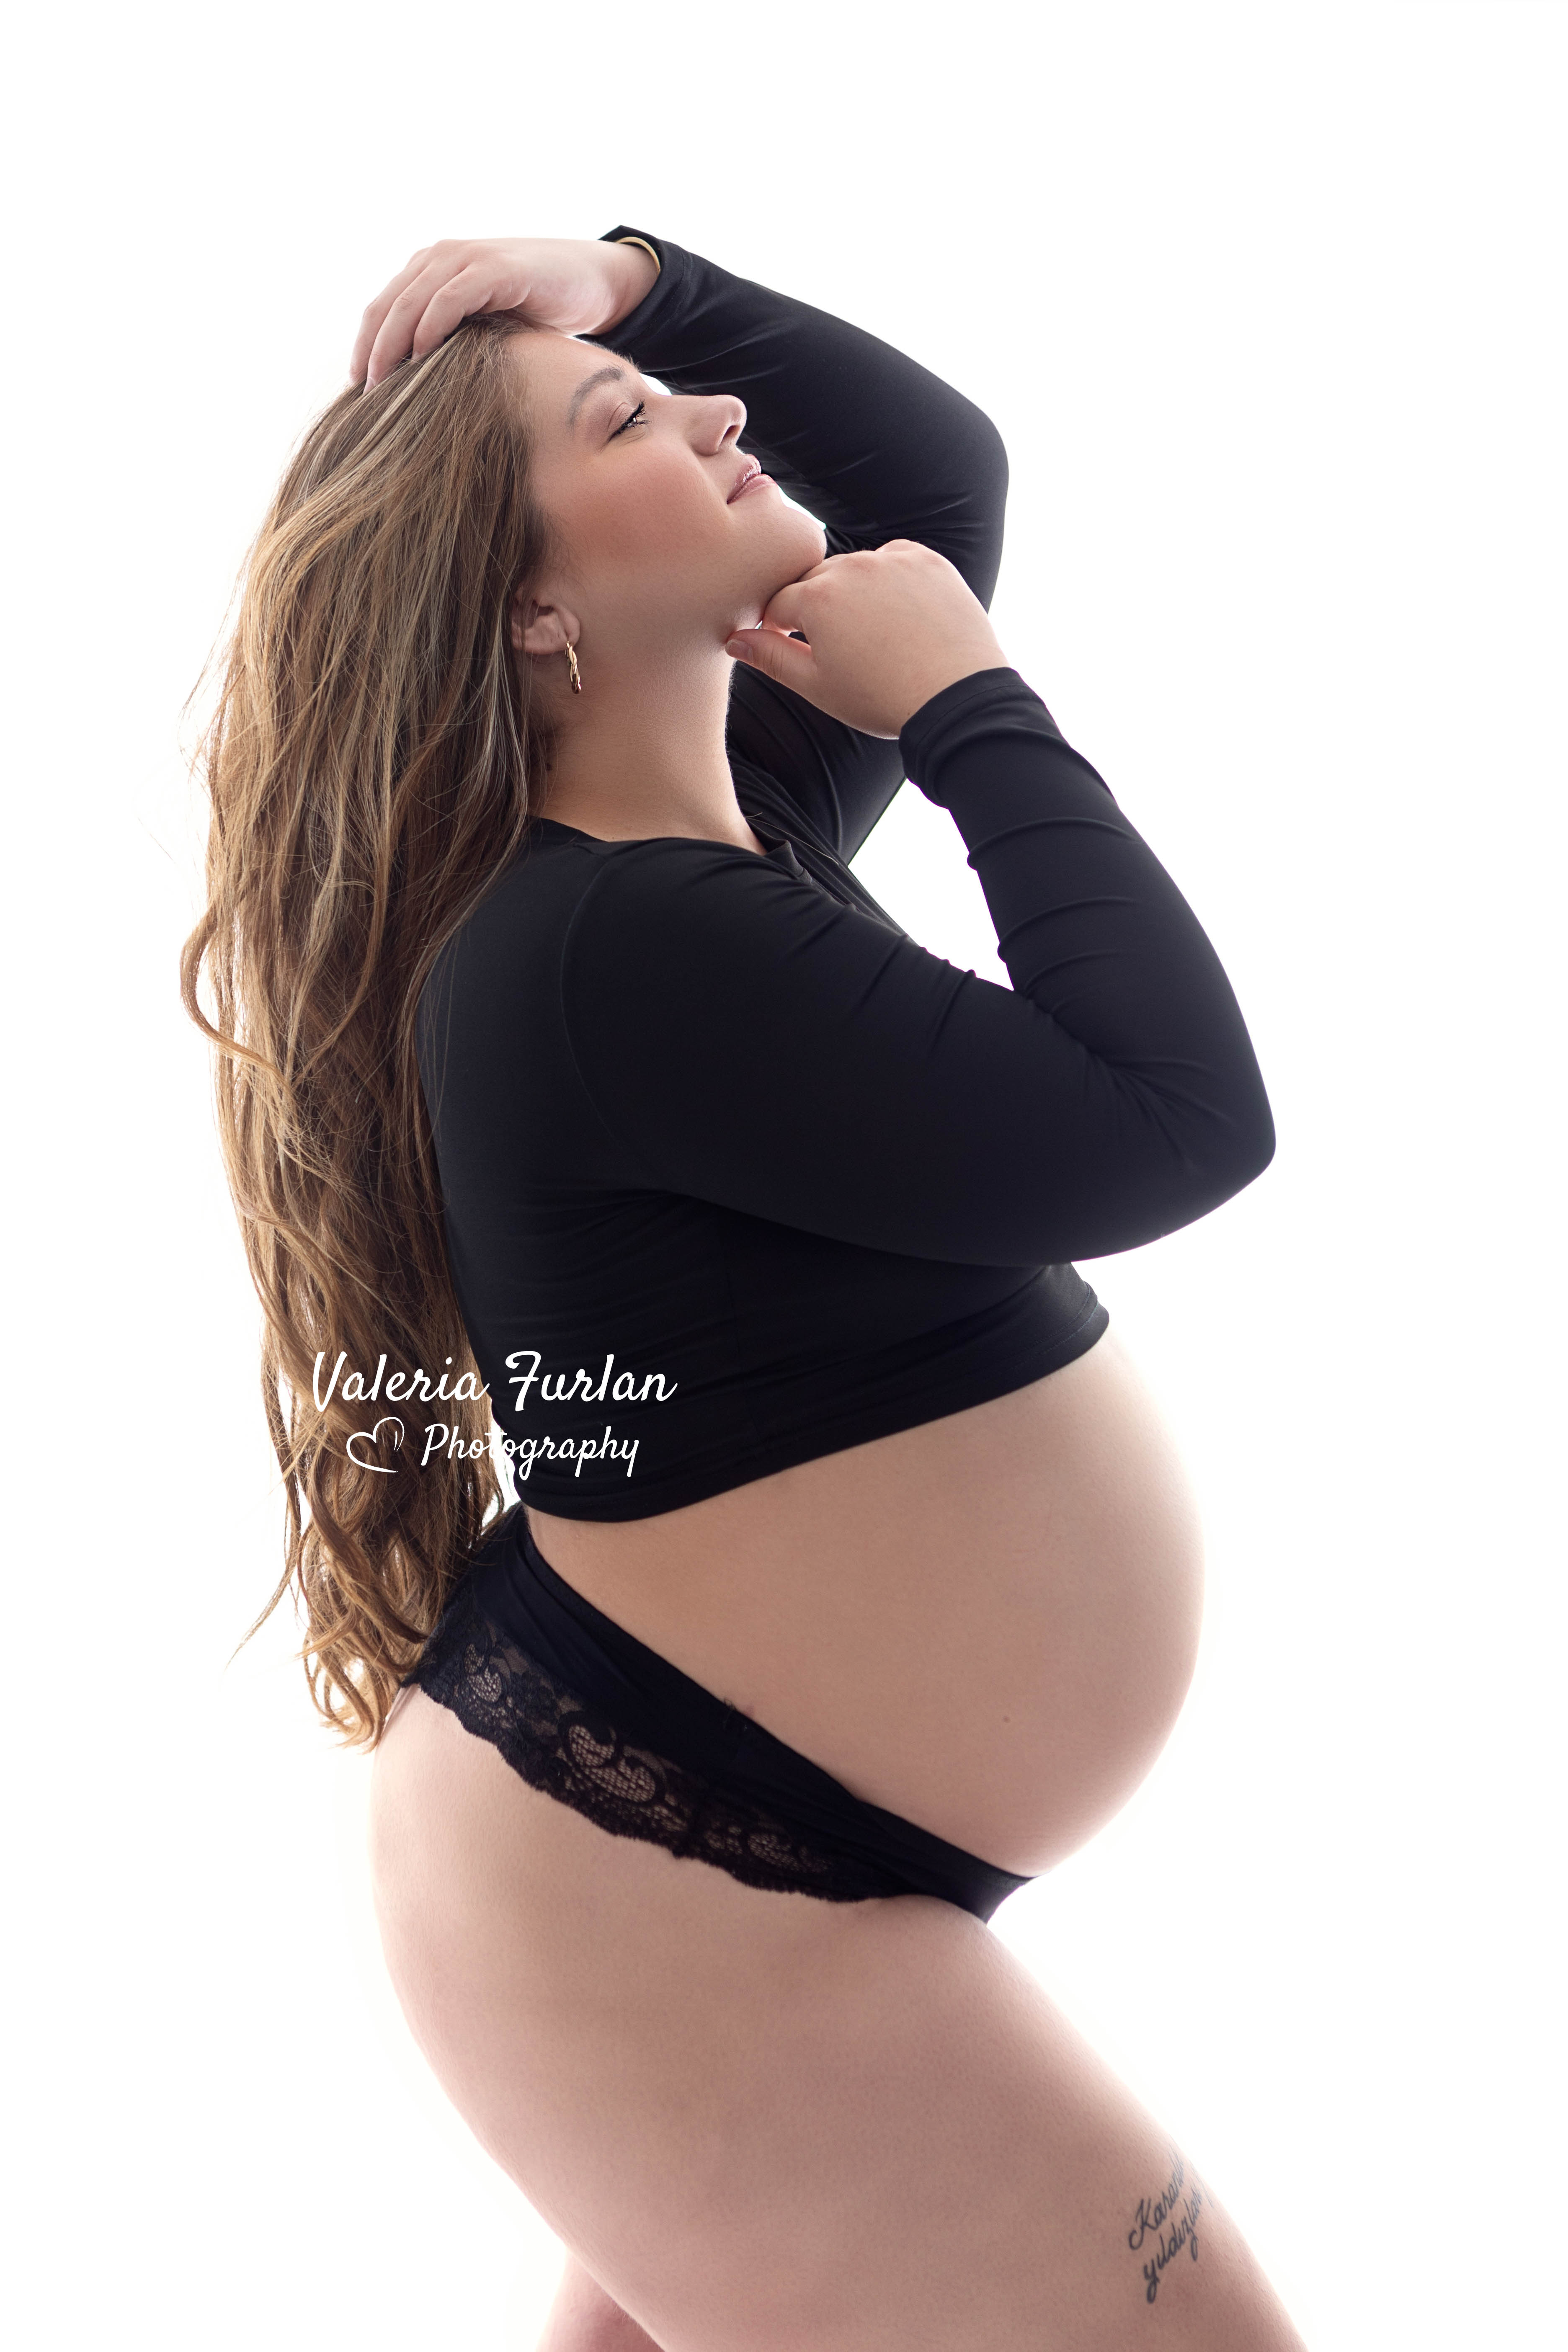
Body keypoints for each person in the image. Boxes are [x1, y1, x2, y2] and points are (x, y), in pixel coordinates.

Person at [183, 223, 1306, 2350]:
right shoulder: (620, 957)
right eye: (630, 421)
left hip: (684, 1875)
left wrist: (616, 284)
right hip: (687, 1890)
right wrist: (969, 708)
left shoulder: (700, 853)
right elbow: (1179, 1116)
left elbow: (935, 471)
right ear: (535, 611)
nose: (717, 414)